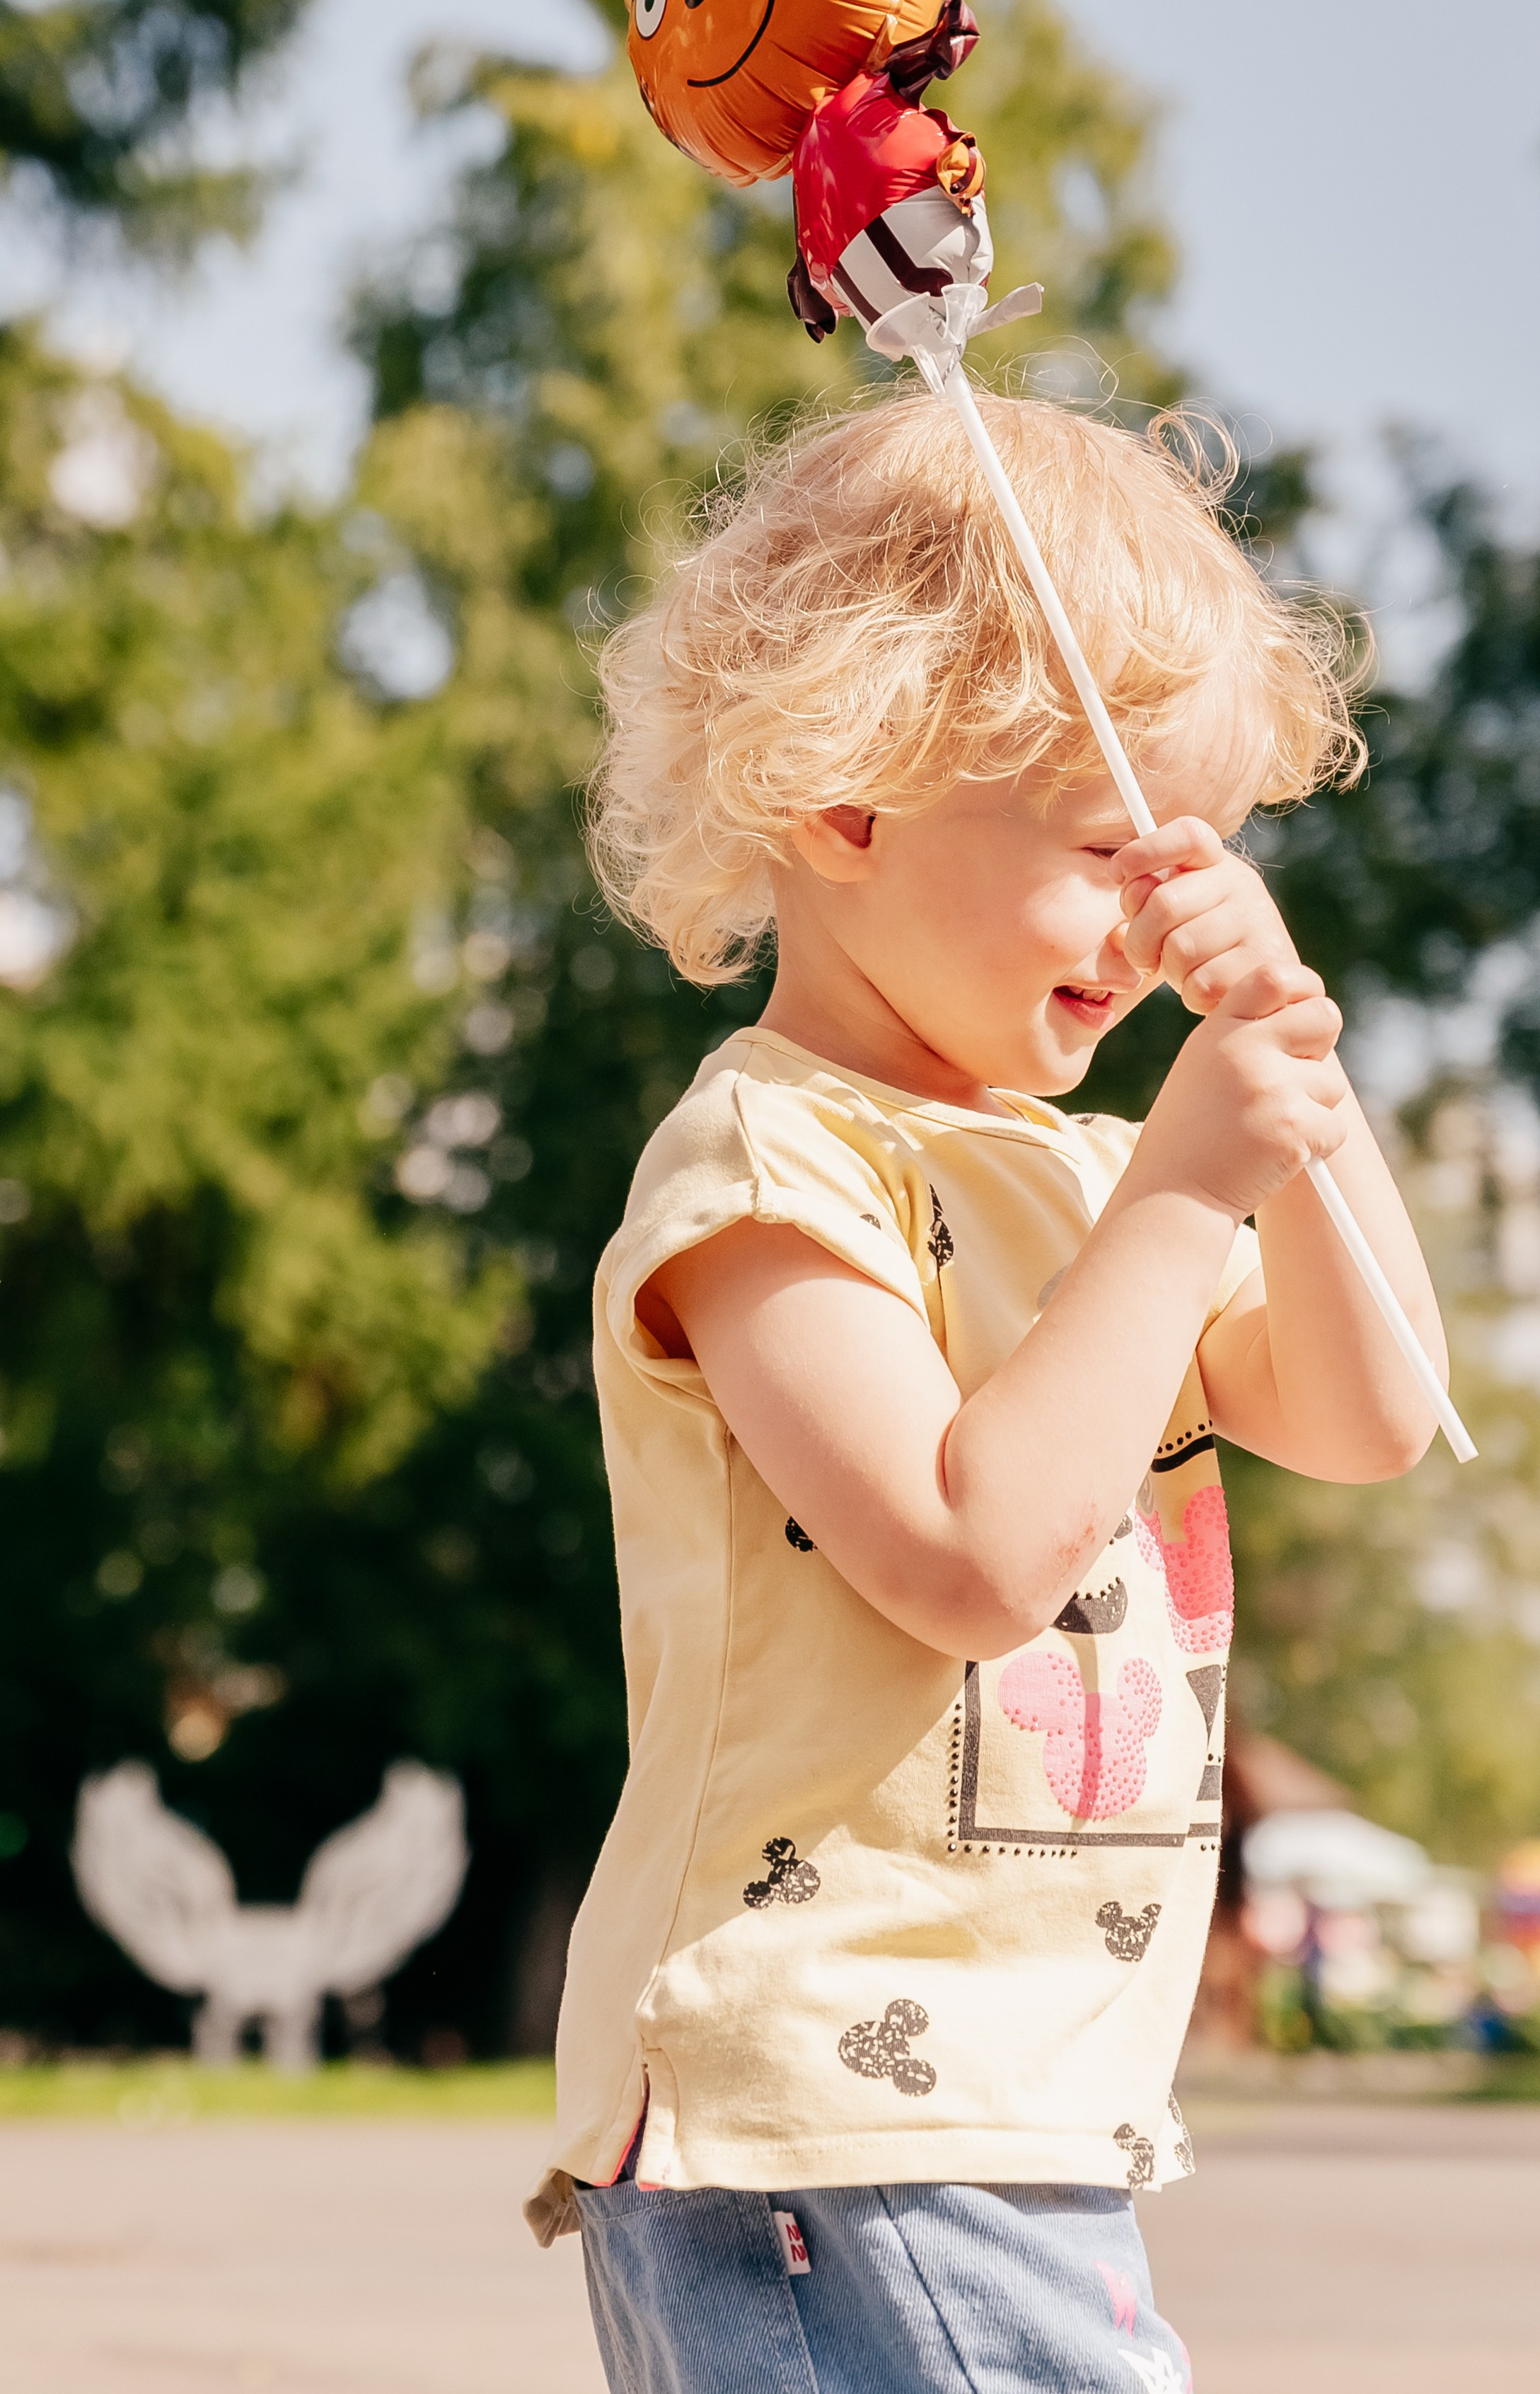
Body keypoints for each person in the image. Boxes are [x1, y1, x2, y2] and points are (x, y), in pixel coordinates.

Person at [525, 391, 1449, 2392]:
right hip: (830, 2102)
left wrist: (1290, 1076)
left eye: (1196, 857)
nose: (1157, 917)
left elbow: (1371, 1412)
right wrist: (1198, 1169)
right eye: (1113, 845)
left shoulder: (1095, 1179)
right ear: (847, 804)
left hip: (996, 2103)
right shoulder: (766, 1168)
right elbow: (963, 1556)